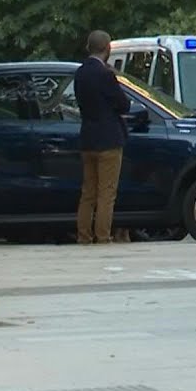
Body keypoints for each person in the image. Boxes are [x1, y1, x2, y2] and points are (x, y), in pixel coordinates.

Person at [75, 30, 129, 244]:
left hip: (87, 137)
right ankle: (103, 236)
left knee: (88, 192)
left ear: (89, 47)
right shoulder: (106, 74)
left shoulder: (80, 73)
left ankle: (84, 236)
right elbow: (123, 104)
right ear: (107, 48)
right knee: (106, 193)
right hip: (109, 139)